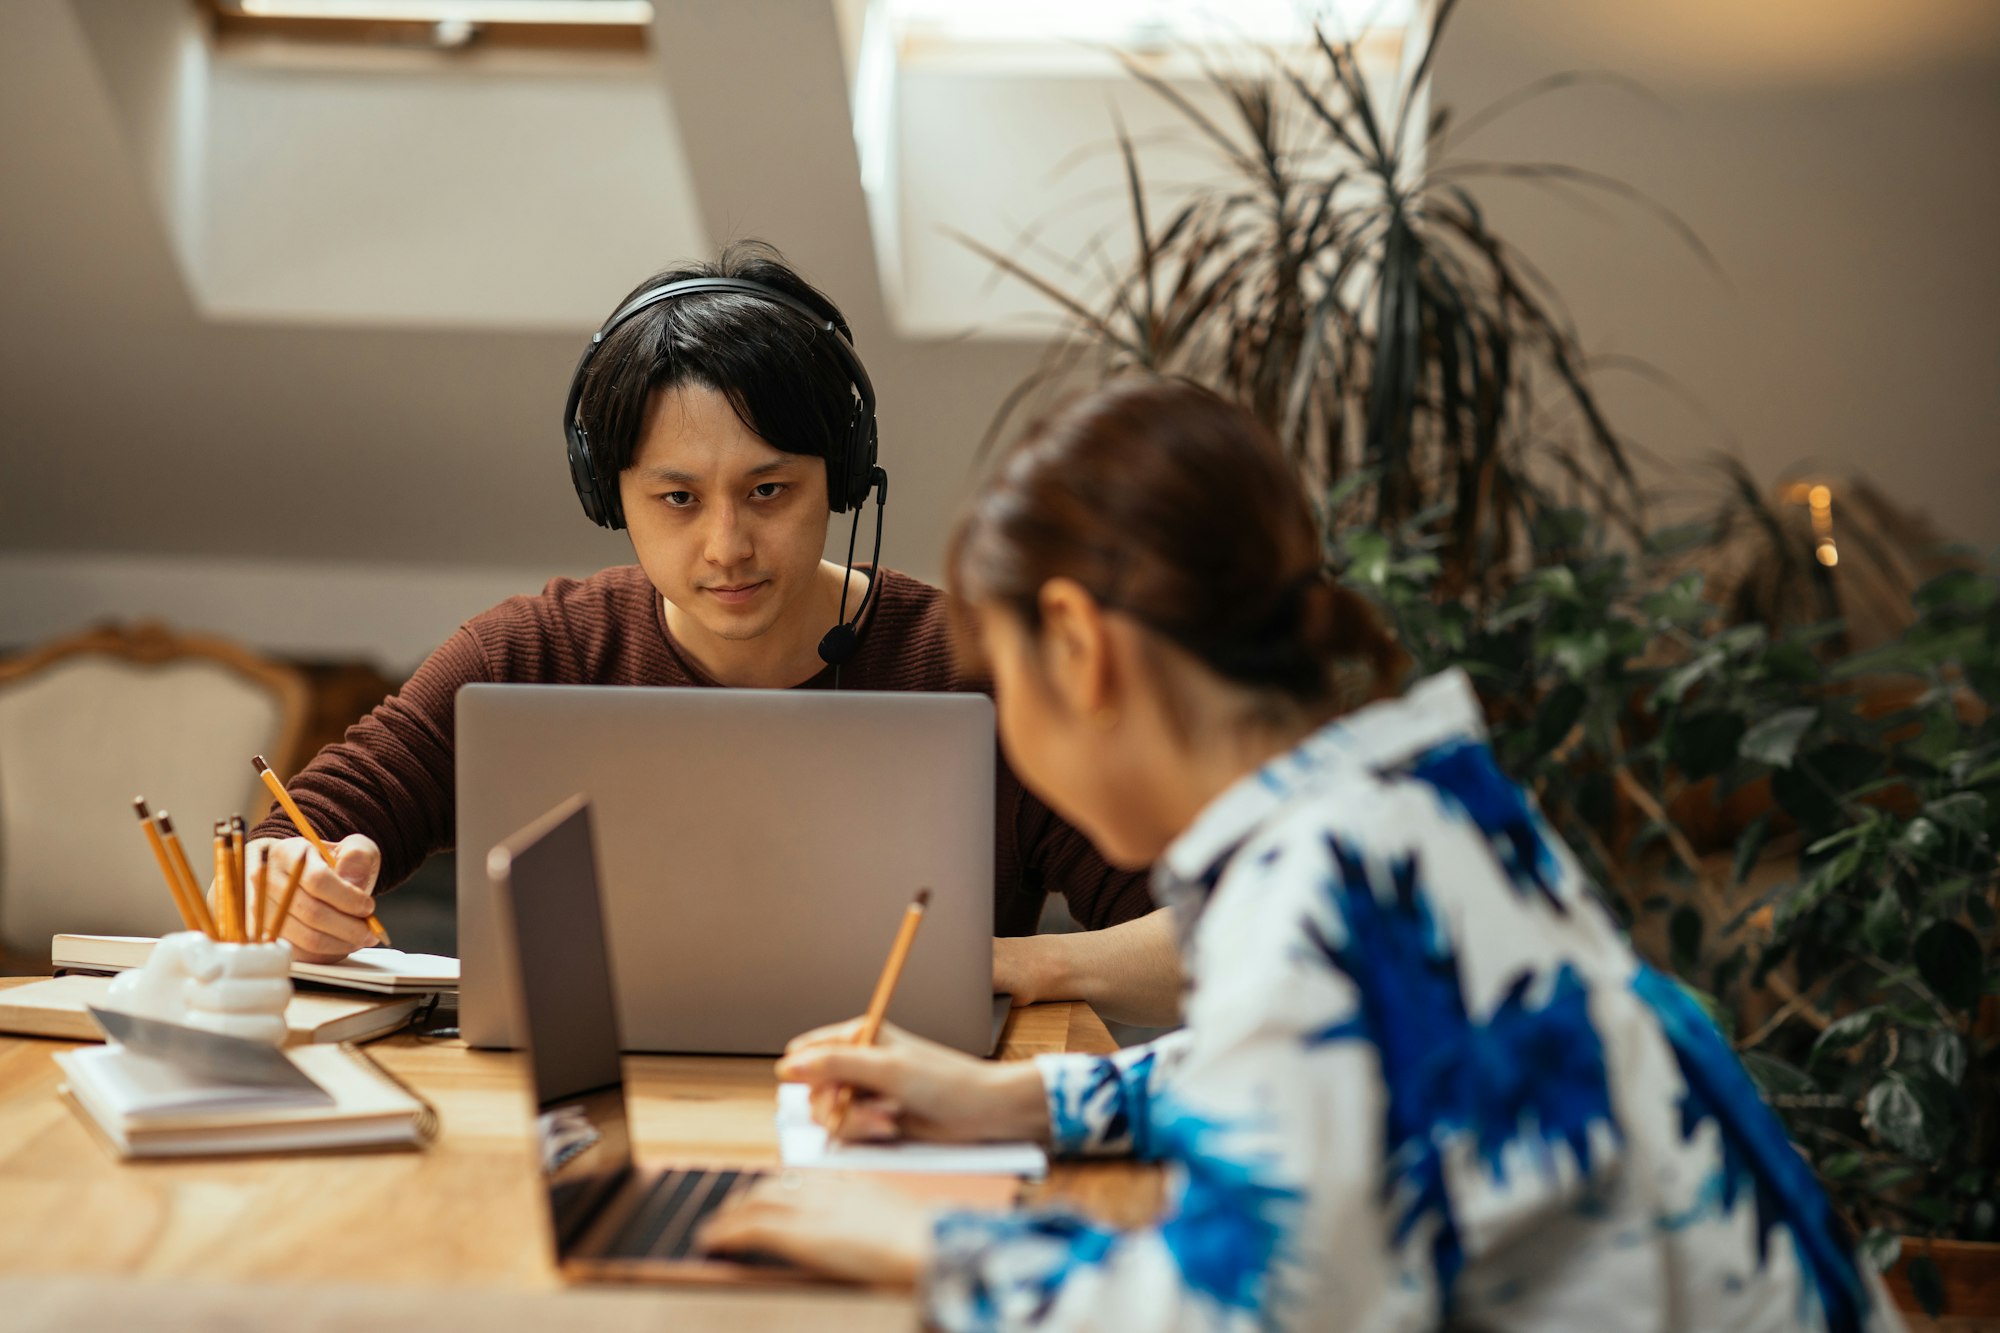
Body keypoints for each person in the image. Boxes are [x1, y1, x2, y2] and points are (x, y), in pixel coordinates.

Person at [698, 379, 1897, 1333]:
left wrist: (919, 1241)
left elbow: (1237, 1313)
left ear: (1077, 643)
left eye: (1005, 684)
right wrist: (1016, 1096)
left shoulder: (1305, 893)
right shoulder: (1401, 795)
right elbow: (1336, 1069)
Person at [234, 241, 1181, 1022]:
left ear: (843, 480)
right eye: (677, 499)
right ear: (614, 499)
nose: (727, 545)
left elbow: (1210, 937)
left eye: (769, 491)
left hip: (898, 1128)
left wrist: (1024, 964)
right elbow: (281, 848)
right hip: (580, 1126)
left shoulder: (978, 666)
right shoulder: (527, 655)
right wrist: (289, 886)